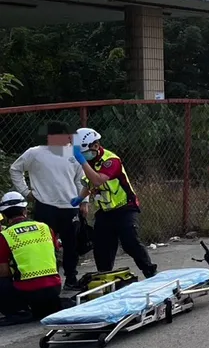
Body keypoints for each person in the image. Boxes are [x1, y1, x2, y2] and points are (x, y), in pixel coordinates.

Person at [72, 128, 157, 279]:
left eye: (84, 152)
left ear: (96, 146)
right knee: (102, 248)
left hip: (125, 207)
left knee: (130, 242)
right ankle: (105, 278)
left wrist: (83, 162)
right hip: (105, 211)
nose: (83, 156)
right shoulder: (90, 162)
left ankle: (150, 271)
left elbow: (98, 179)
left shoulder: (111, 161)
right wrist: (79, 199)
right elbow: (89, 183)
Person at [9, 119, 84, 289]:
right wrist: (26, 192)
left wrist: (84, 201)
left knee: (71, 244)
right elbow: (15, 169)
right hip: (45, 205)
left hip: (70, 205)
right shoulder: (34, 153)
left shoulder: (74, 153)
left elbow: (81, 179)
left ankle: (71, 278)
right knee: (45, 244)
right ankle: (50, 277)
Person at [0, 191, 64, 325]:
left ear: (5, 215)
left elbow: (3, 272)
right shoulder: (45, 227)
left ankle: (16, 312)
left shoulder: (5, 236)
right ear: (25, 210)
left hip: (27, 292)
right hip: (54, 287)